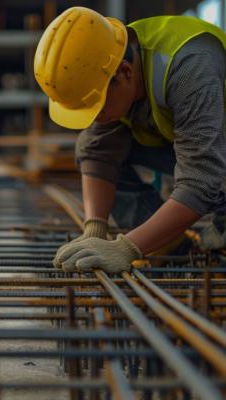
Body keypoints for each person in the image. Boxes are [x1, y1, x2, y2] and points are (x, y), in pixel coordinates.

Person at [34, 7, 226, 274]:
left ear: (124, 73)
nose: (94, 118)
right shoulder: (110, 56)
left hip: (217, 151)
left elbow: (201, 180)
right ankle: (168, 244)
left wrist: (126, 248)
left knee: (215, 220)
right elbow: (97, 151)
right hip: (208, 143)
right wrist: (95, 229)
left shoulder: (189, 66)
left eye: (97, 107)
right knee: (93, 143)